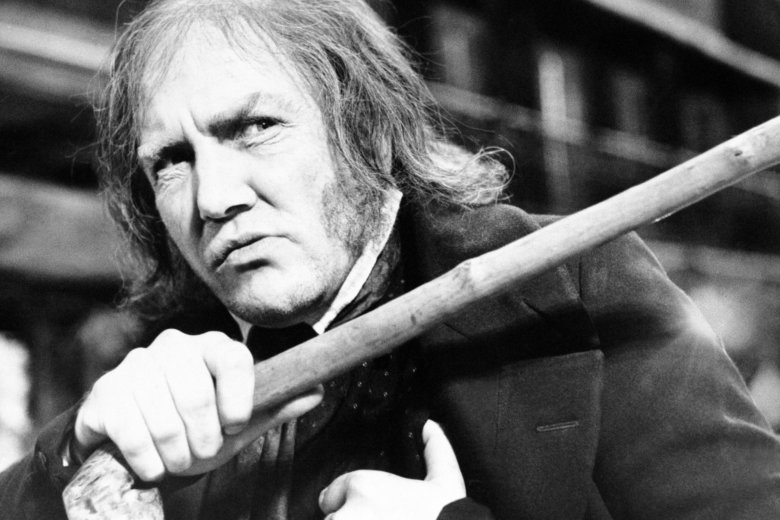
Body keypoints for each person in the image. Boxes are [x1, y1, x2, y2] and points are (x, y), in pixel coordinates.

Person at [2, 0, 779, 518]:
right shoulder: (164, 380)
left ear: (364, 129)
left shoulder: (580, 284)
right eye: (171, 161)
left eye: (254, 128)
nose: (215, 198)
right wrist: (77, 457)